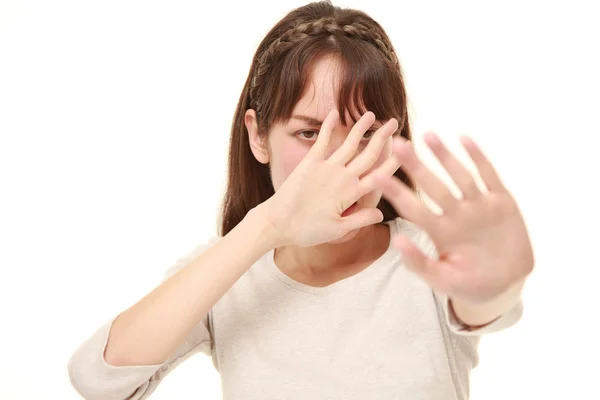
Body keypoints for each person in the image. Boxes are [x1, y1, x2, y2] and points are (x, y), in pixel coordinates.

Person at [67, 1, 534, 399]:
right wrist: (269, 226)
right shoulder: (229, 270)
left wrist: (498, 283)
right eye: (310, 133)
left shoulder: (425, 255)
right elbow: (98, 378)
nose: (339, 161)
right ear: (258, 137)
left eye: (366, 133)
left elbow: (486, 298)